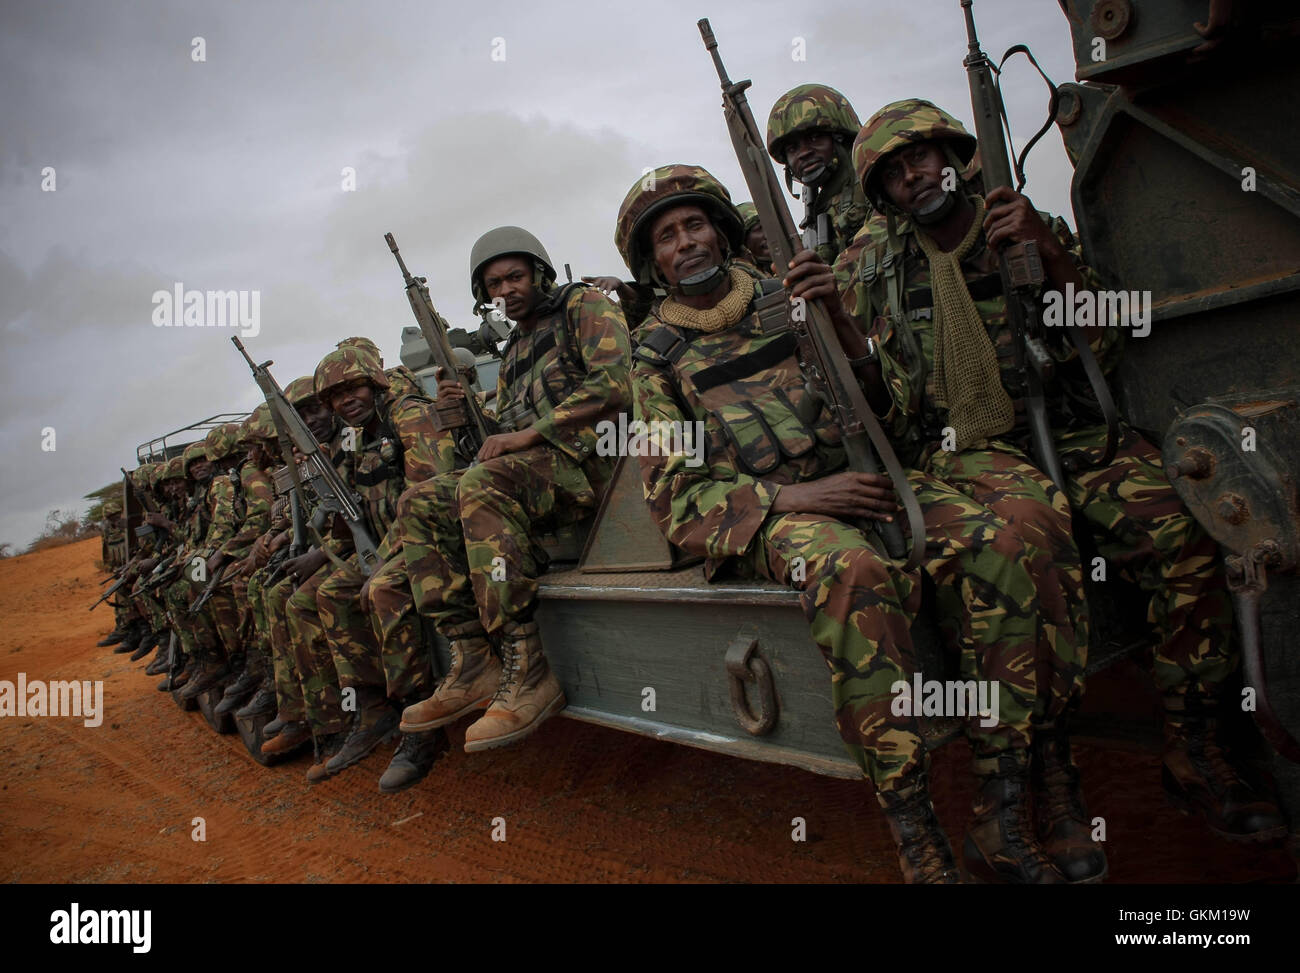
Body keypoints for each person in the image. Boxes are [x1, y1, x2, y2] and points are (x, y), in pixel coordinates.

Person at [615, 163, 1108, 883]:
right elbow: (678, 501)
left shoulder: (793, 297)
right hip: (777, 514)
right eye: (667, 236)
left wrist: (842, 320)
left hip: (869, 478)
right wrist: (801, 500)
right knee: (856, 573)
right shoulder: (654, 356)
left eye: (694, 225)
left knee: (999, 542)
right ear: (651, 260)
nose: (685, 242)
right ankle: (916, 832)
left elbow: (897, 409)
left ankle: (1003, 803)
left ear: (720, 232)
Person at [838, 98, 1285, 848]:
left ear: (956, 156)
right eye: (893, 171)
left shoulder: (1022, 223)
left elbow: (1108, 343)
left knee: (1188, 531)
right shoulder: (877, 267)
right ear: (881, 195)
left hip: (1072, 432)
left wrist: (1048, 257)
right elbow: (882, 393)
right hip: (970, 449)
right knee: (1025, 544)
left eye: (923, 156)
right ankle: (1039, 774)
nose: (914, 174)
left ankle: (1192, 741)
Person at [394, 226, 631, 754]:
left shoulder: (584, 305)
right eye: (494, 285)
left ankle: (528, 667)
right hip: (539, 473)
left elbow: (616, 385)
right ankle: (473, 658)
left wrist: (530, 434)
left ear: (540, 273)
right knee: (421, 502)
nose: (506, 290)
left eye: (515, 277)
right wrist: (466, 412)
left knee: (481, 484)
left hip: (601, 468)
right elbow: (504, 425)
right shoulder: (515, 350)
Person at [766, 84, 869, 265]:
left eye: (814, 138)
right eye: (792, 148)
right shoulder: (820, 210)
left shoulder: (874, 187)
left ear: (840, 138)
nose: (803, 153)